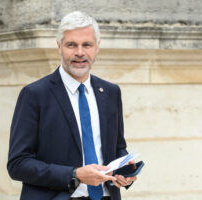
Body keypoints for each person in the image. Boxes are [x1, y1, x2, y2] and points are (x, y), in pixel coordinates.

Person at [7, 11, 137, 200]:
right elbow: (18, 164)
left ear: (97, 47)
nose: (79, 52)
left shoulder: (111, 92)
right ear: (59, 47)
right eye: (71, 45)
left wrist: (125, 172)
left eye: (87, 45)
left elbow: (117, 148)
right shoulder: (35, 94)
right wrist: (74, 175)